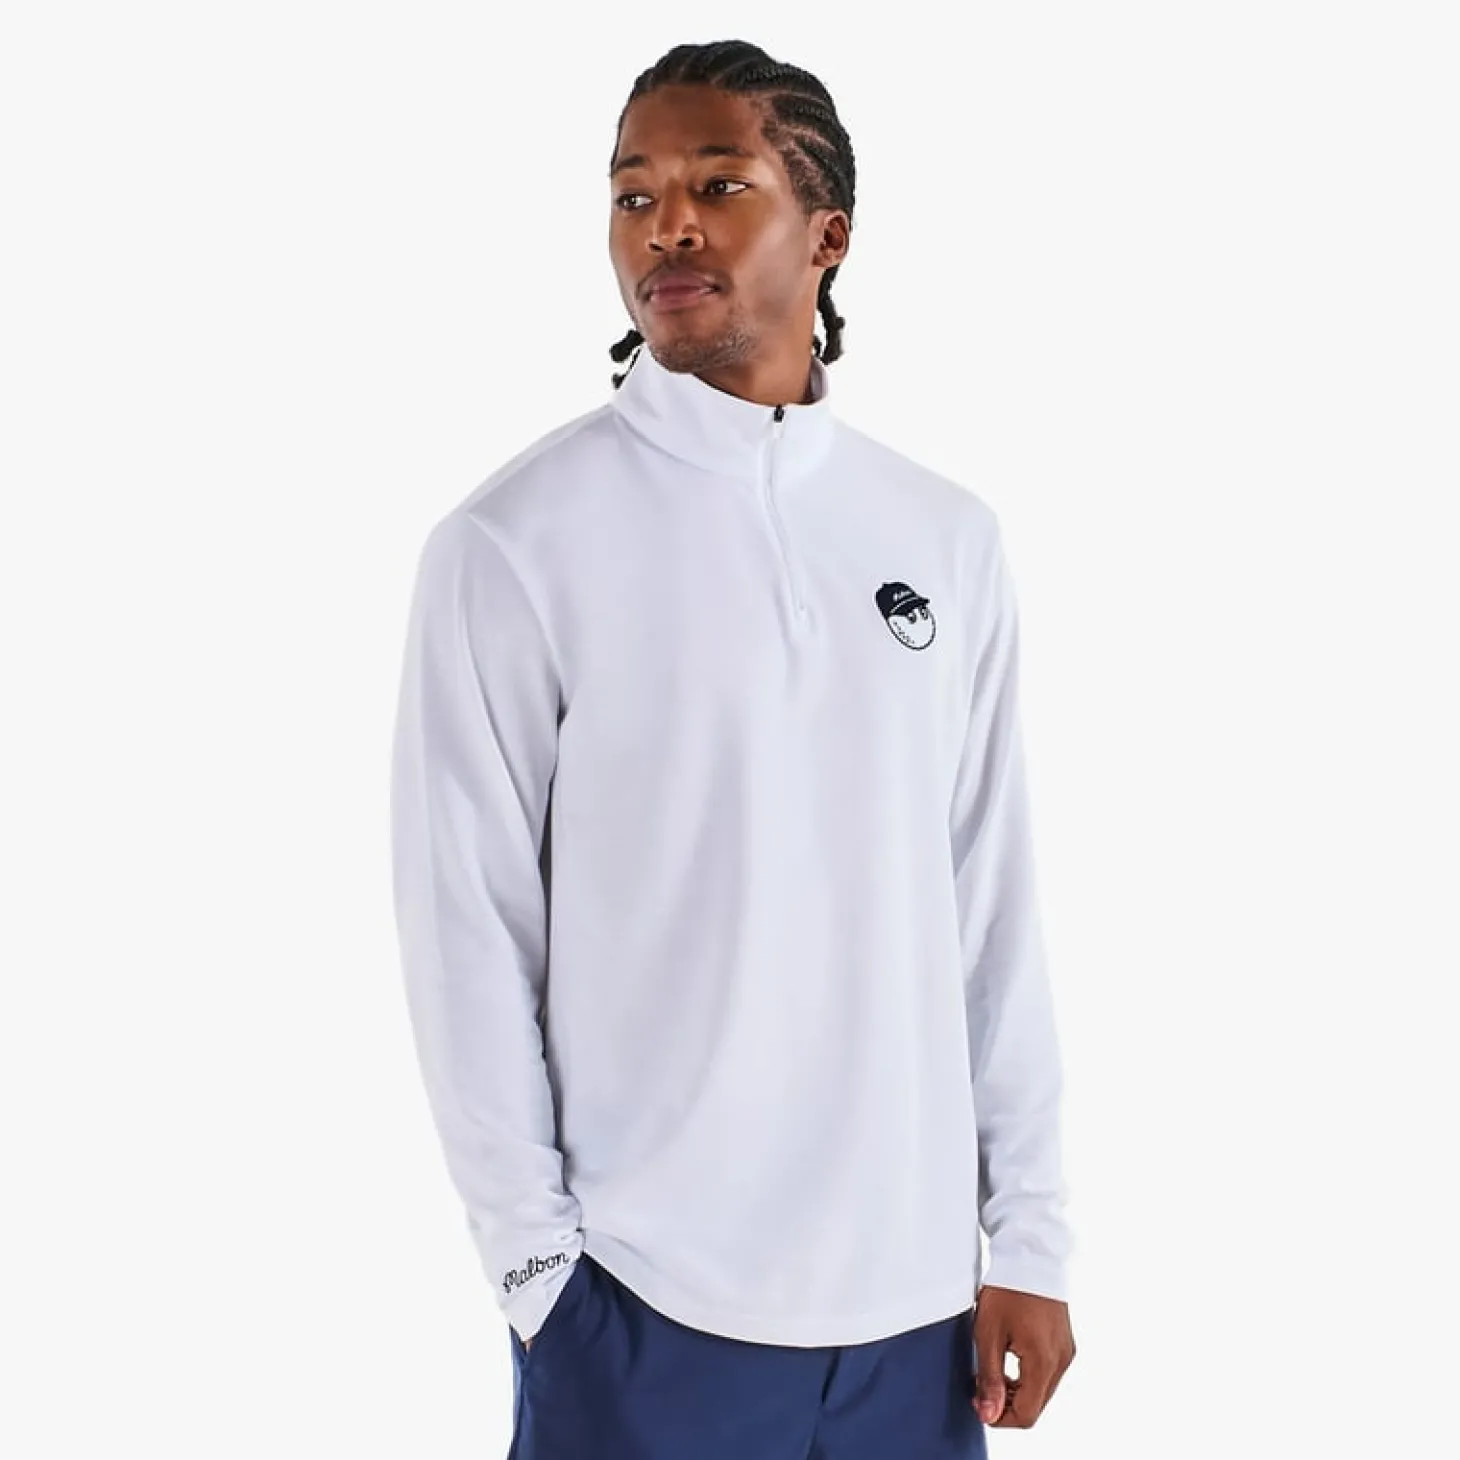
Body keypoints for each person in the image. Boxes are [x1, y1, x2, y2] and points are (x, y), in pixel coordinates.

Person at [389, 38, 1076, 1459]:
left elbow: (988, 904)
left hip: (919, 1318)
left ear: (828, 234)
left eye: (719, 185)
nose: (668, 227)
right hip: (644, 1309)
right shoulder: (514, 546)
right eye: (633, 195)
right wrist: (538, 1274)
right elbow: (465, 927)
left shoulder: (943, 537)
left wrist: (1032, 1238)